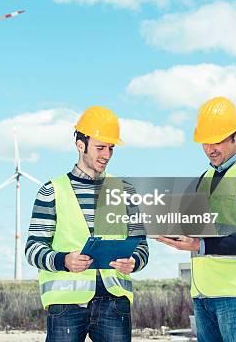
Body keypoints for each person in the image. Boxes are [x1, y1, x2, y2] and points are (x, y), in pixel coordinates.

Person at [157, 96, 236, 342]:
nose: (211, 148)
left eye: (218, 140)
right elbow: (198, 228)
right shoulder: (205, 177)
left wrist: (201, 245)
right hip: (203, 296)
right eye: (205, 142)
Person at [25, 105, 149, 342]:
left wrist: (134, 262)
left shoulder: (125, 191)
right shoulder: (52, 191)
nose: (107, 155)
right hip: (66, 305)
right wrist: (64, 260)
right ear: (80, 145)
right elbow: (32, 249)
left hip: (115, 304)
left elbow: (141, 246)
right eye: (100, 147)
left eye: (111, 148)